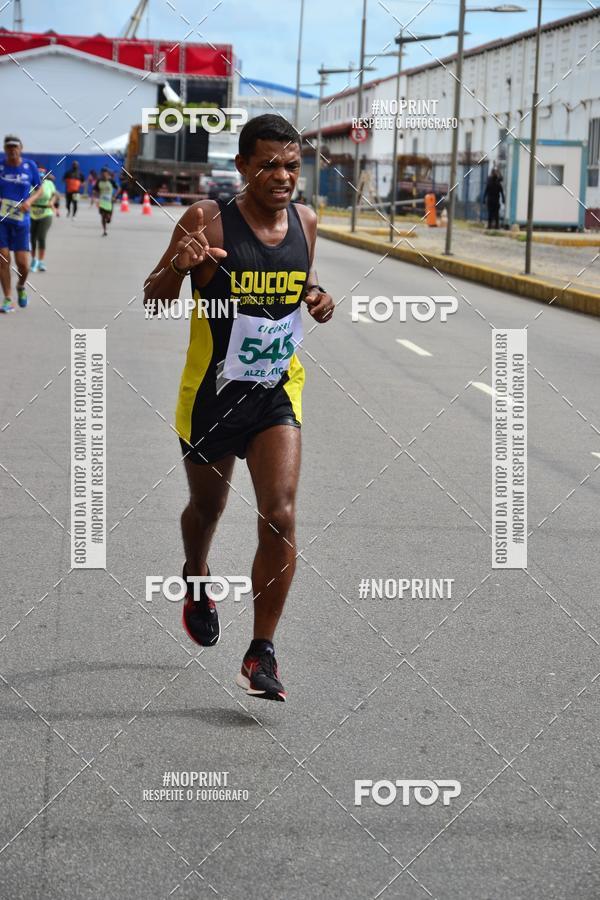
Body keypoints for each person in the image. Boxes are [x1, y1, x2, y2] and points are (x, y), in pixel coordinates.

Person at [143, 114, 334, 702]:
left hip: (276, 391)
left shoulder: (306, 220)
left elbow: (303, 282)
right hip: (211, 397)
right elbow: (154, 296)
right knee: (209, 505)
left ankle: (261, 652)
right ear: (243, 167)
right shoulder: (206, 218)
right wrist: (178, 265)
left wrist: (317, 297)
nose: (283, 177)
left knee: (280, 513)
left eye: (293, 165)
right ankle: (196, 574)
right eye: (269, 165)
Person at [0, 134, 43, 312]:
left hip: (21, 221)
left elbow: (40, 189)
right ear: (5, 149)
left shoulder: (29, 166)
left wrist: (29, 202)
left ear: (21, 148)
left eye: (15, 146)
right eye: (9, 147)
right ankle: (8, 298)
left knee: (23, 264)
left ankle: (20, 286)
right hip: (2, 220)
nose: (12, 150)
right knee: (3, 260)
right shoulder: (1, 166)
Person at [30, 169, 59, 272]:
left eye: (42, 178)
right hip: (32, 213)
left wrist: (52, 201)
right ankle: (34, 260)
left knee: (41, 237)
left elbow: (55, 195)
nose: (40, 180)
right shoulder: (30, 184)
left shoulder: (49, 184)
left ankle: (41, 262)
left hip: (46, 213)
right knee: (32, 239)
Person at [93, 168, 119, 236]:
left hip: (110, 201)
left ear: (108, 174)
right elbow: (95, 190)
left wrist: (115, 196)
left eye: (106, 174)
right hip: (102, 201)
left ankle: (109, 218)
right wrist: (96, 198)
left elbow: (118, 188)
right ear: (101, 174)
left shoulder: (111, 181)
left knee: (108, 219)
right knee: (103, 216)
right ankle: (104, 230)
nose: (104, 175)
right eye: (103, 174)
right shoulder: (99, 181)